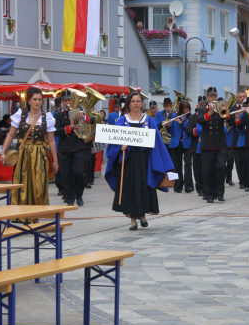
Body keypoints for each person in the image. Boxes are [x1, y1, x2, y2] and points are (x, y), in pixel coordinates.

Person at [104, 91, 174, 230]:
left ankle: (142, 215)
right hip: (128, 160)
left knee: (144, 187)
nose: (135, 104)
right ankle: (133, 220)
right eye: (133, 101)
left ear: (141, 103)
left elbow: (157, 142)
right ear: (129, 104)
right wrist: (120, 147)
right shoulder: (122, 121)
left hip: (144, 161)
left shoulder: (148, 120)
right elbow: (113, 142)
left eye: (138, 101)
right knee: (130, 189)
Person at [1, 87, 59, 206]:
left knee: (39, 185)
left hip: (40, 154)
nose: (37, 102)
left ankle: (39, 211)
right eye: (35, 99)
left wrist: (55, 160)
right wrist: (3, 152)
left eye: (40, 99)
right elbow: (11, 134)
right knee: (22, 183)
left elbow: (51, 141)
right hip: (23, 154)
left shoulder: (47, 117)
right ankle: (21, 212)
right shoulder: (21, 115)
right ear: (29, 101)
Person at [54, 91, 90, 206]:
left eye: (69, 100)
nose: (68, 102)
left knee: (79, 172)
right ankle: (70, 197)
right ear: (62, 102)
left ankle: (79, 195)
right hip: (64, 148)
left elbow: (92, 121)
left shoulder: (80, 111)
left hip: (79, 147)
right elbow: (56, 131)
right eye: (65, 100)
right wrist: (68, 129)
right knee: (66, 174)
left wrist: (84, 117)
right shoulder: (58, 114)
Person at [197, 87, 232, 203]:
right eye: (211, 96)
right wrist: (210, 113)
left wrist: (225, 111)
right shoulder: (203, 109)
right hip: (207, 145)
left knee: (221, 168)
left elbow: (230, 122)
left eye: (215, 96)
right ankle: (209, 194)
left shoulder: (220, 107)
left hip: (220, 144)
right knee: (208, 170)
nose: (213, 98)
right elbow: (200, 120)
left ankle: (220, 193)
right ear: (207, 97)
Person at [164, 98, 187, 193]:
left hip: (185, 143)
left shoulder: (188, 115)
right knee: (177, 166)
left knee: (187, 165)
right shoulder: (173, 115)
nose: (179, 106)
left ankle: (187, 185)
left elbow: (188, 128)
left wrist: (181, 122)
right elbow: (170, 131)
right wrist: (168, 125)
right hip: (175, 143)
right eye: (178, 104)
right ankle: (177, 186)